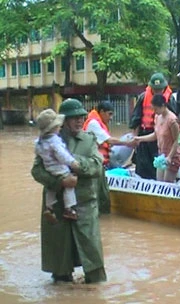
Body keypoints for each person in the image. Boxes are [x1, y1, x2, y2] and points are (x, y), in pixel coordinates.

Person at [31, 98, 107, 283]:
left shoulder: (89, 140)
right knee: (60, 264)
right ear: (63, 121)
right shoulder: (48, 141)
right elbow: (37, 170)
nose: (79, 121)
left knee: (93, 260)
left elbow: (98, 166)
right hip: (57, 206)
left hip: (85, 203)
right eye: (74, 118)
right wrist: (60, 181)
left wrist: (75, 164)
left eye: (81, 117)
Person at [83, 101, 134, 214]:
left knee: (129, 137)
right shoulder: (93, 123)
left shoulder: (98, 122)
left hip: (104, 161)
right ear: (101, 112)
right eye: (109, 114)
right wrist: (128, 143)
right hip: (96, 164)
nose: (111, 118)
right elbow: (109, 140)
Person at [34, 109, 79, 223]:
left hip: (49, 168)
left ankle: (49, 207)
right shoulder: (55, 141)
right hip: (60, 168)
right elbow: (63, 156)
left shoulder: (40, 142)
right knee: (69, 185)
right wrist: (73, 163)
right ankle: (69, 208)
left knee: (51, 188)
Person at [129, 73, 175, 179]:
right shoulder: (143, 97)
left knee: (158, 168)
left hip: (161, 138)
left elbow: (176, 127)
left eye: (160, 89)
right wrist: (135, 139)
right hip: (145, 134)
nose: (157, 92)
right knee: (142, 167)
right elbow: (136, 119)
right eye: (155, 89)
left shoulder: (170, 101)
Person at [134, 94, 180, 182]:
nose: (154, 111)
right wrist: (140, 139)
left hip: (172, 156)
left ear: (163, 106)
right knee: (159, 182)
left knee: (167, 184)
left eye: (156, 109)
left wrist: (170, 157)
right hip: (161, 155)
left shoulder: (172, 120)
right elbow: (156, 135)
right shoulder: (157, 117)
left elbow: (177, 140)